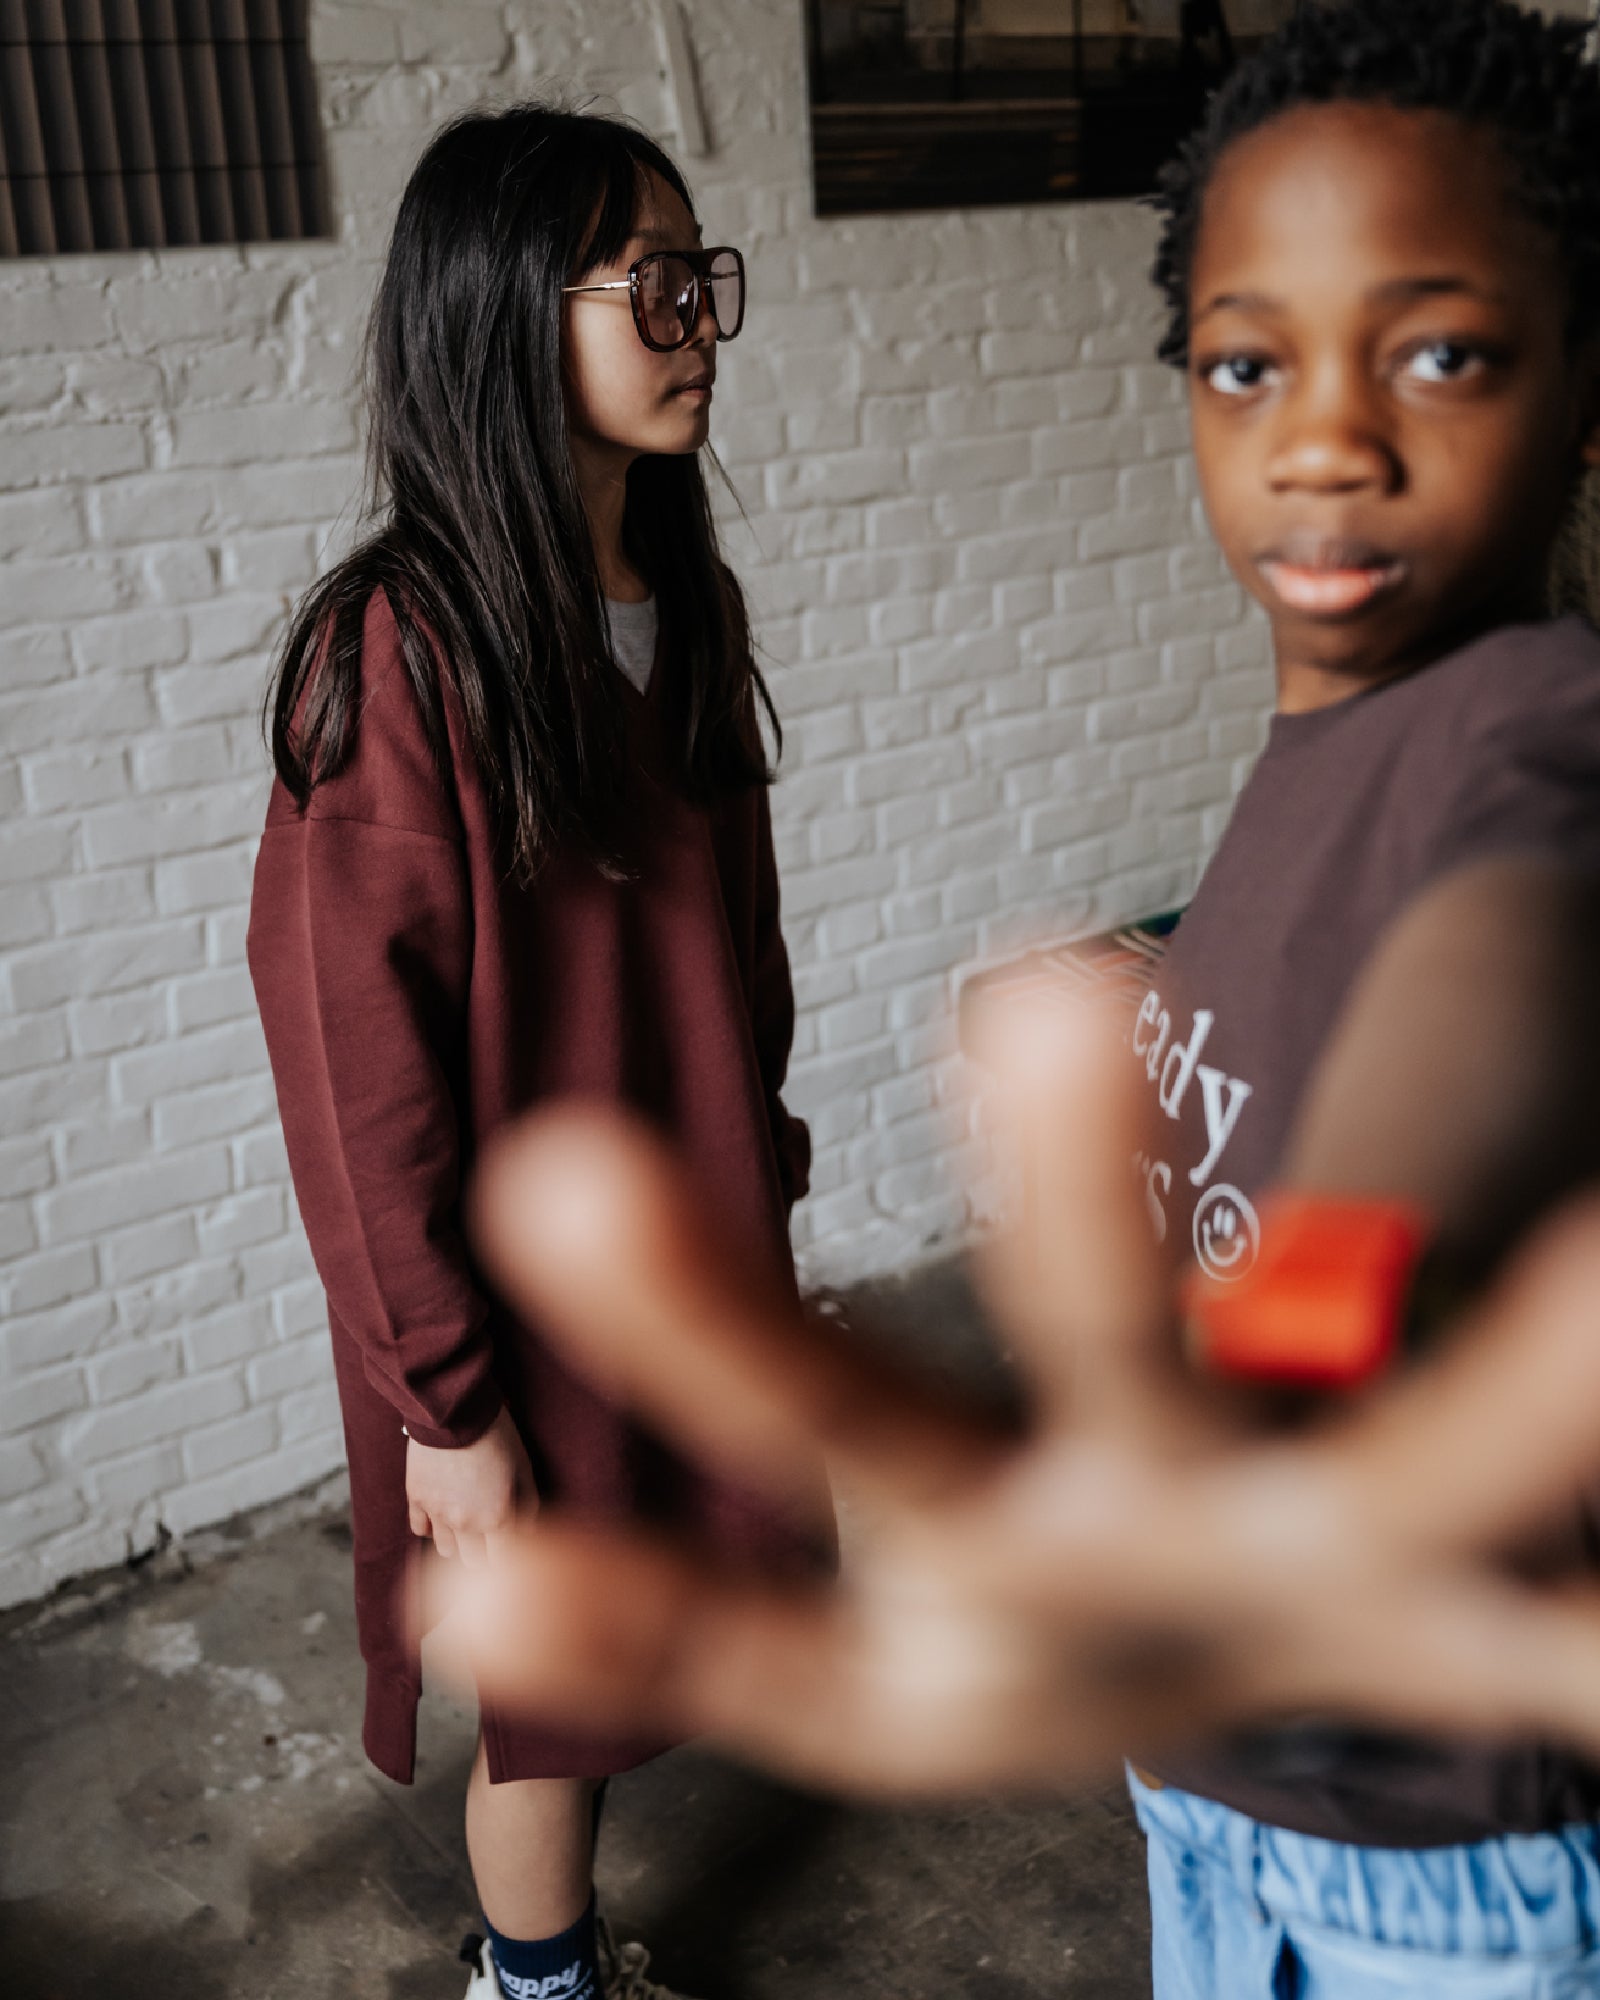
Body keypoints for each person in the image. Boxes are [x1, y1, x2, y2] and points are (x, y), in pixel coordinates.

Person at [422, 3, 1600, 1993]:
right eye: (1247, 359)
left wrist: (1266, 1365)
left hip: (1434, 1863)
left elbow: (1463, 1007)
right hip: (1216, 1779)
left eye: (1438, 349)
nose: (1320, 433)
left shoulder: (1530, 737)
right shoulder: (1332, 745)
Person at [246, 104, 826, 2000]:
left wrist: (773, 1183)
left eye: (702, 278)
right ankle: (533, 1978)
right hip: (505, 1307)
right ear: (509, 319)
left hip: (682, 1250)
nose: (698, 325)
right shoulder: (402, 654)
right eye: (652, 288)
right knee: (551, 1696)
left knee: (639, 1632)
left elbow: (737, 946)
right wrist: (447, 1404)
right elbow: (357, 1073)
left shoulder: (683, 604)